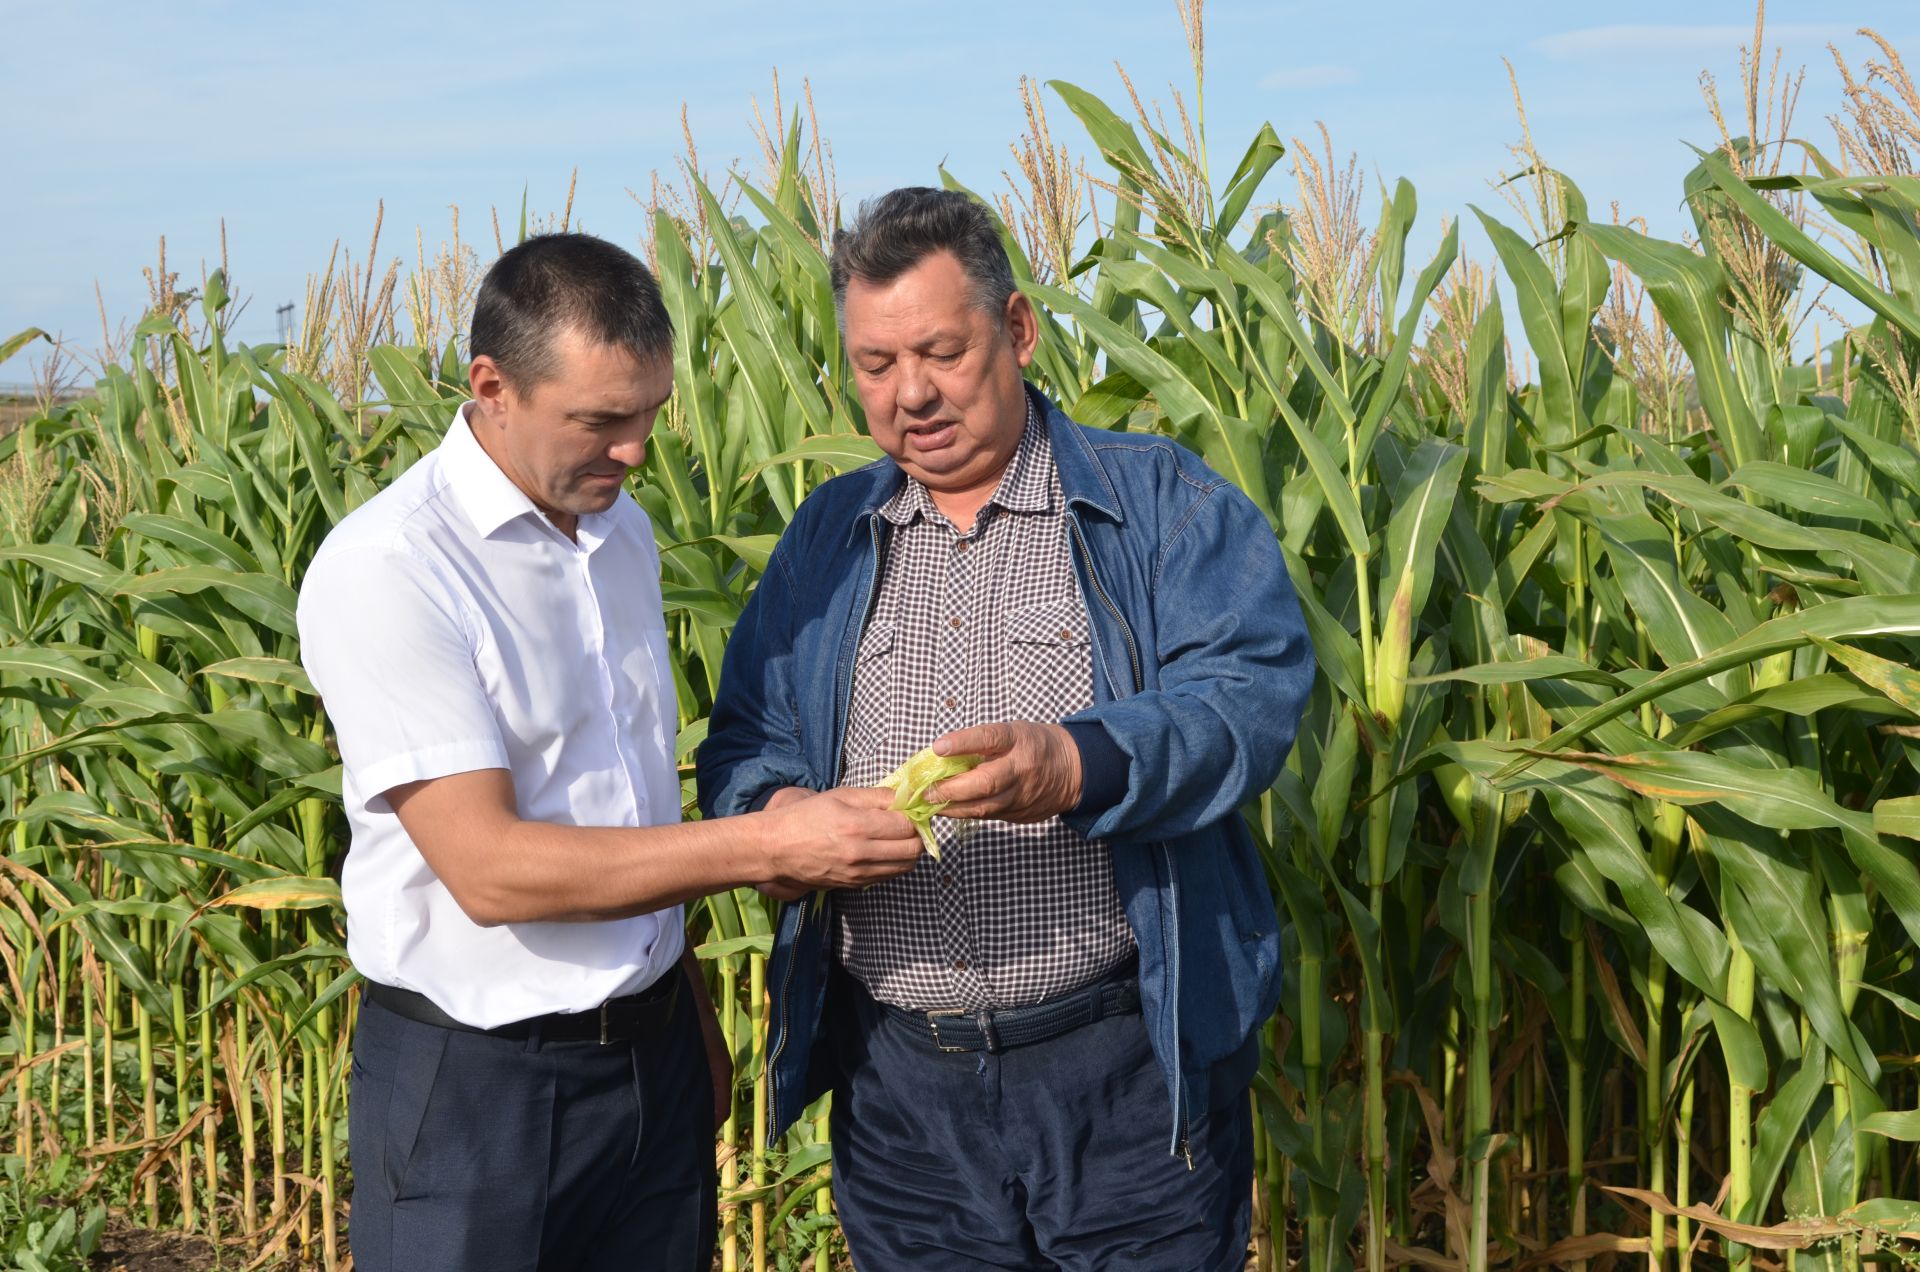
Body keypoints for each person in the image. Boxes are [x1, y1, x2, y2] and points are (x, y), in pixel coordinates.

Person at [699, 188, 1315, 1270]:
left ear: (1018, 331)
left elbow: (1247, 700)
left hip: (1123, 1074)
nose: (911, 394)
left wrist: (1075, 761)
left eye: (940, 350)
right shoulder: (825, 539)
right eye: (876, 365)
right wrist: (779, 820)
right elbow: (748, 738)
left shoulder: (1161, 505)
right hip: (902, 1094)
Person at [296, 232, 921, 1272]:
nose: (634, 452)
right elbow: (491, 869)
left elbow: (624, 804)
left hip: (648, 1056)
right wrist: (768, 845)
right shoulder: (390, 569)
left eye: (649, 417)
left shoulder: (616, 531)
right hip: (477, 1089)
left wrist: (682, 1014)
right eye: (599, 421)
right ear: (491, 386)